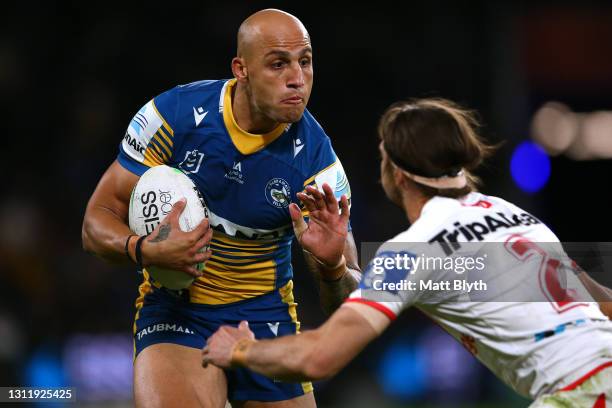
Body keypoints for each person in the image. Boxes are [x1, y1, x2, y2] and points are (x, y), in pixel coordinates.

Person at [202, 98, 612, 407]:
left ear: (395, 172)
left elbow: (320, 357)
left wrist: (240, 349)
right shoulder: (511, 214)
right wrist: (334, 267)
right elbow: (602, 304)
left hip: (581, 390)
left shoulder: (415, 250)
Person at [82, 9, 361, 408]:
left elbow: (348, 313)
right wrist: (145, 251)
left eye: (305, 61)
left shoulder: (319, 167)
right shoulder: (173, 117)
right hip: (178, 314)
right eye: (278, 64)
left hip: (266, 320)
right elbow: (94, 223)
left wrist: (333, 267)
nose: (297, 78)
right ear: (241, 69)